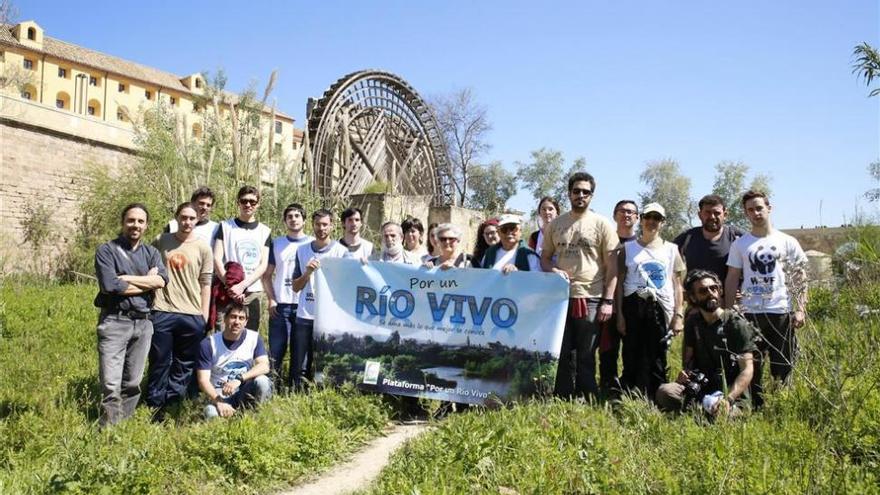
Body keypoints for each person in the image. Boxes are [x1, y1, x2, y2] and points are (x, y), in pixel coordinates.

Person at [724, 190, 808, 409]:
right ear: (745, 214)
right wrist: (730, 310)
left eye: (759, 208)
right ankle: (755, 407)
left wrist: (800, 308)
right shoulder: (740, 244)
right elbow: (732, 278)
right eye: (750, 210)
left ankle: (782, 407)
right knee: (752, 364)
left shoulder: (788, 242)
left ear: (769, 209)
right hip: (751, 313)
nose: (756, 213)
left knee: (783, 364)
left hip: (781, 311)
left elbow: (800, 277)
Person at [541, 172, 618, 399]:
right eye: (576, 191)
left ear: (592, 196)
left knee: (586, 352)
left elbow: (612, 268)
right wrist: (553, 270)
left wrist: (608, 301)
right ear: (569, 194)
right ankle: (563, 395)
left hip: (592, 297)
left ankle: (586, 395)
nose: (581, 195)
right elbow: (545, 258)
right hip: (561, 298)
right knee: (562, 350)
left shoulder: (602, 224)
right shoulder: (556, 224)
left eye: (586, 192)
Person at [93, 203, 168, 426]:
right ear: (123, 222)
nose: (135, 225)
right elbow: (110, 286)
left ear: (146, 226)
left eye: (140, 221)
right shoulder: (107, 250)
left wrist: (126, 278)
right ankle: (109, 429)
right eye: (131, 220)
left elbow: (162, 281)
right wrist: (148, 283)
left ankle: (123, 426)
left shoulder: (152, 253)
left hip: (144, 324)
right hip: (115, 321)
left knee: (133, 381)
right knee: (110, 383)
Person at [656, 270, 757, 417]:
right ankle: (703, 411)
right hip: (702, 389)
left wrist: (728, 399)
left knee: (725, 414)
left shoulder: (736, 324)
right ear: (693, 297)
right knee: (665, 392)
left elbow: (747, 370)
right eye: (703, 291)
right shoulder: (693, 322)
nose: (711, 293)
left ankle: (712, 412)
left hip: (731, 394)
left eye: (714, 288)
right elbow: (688, 361)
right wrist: (685, 375)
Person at [146, 202, 213, 416]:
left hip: (191, 314)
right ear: (176, 218)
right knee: (159, 360)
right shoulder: (161, 241)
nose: (187, 222)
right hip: (162, 310)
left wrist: (203, 316)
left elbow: (206, 283)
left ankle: (172, 404)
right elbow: (148, 267)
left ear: (197, 220)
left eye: (192, 218)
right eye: (183, 217)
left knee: (184, 363)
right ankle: (154, 405)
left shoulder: (203, 247)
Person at [616, 203, 685, 399]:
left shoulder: (672, 250)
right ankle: (629, 394)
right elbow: (620, 283)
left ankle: (657, 395)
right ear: (641, 219)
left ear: (662, 222)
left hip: (660, 308)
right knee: (631, 352)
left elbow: (678, 286)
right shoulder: (627, 249)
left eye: (657, 218)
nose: (651, 222)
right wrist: (619, 315)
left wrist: (678, 315)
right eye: (648, 217)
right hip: (633, 305)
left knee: (657, 354)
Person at [290, 209, 348, 388]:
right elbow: (295, 287)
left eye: (325, 224)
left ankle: (321, 395)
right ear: (312, 225)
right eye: (318, 224)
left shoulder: (341, 252)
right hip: (305, 315)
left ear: (332, 226)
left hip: (328, 317)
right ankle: (295, 396)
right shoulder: (302, 251)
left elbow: (346, 286)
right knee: (300, 363)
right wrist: (307, 272)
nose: (321, 228)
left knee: (324, 362)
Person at [262, 203, 313, 388]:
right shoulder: (277, 243)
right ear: (285, 221)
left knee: (301, 354)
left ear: (304, 220)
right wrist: (271, 299)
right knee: (276, 351)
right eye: (289, 216)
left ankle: (296, 390)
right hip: (281, 306)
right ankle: (270, 389)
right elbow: (266, 275)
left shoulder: (313, 243)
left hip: (305, 307)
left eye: (297, 216)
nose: (293, 219)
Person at [196, 303, 272, 419]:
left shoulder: (254, 338)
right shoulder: (209, 344)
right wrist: (219, 402)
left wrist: (239, 379)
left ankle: (258, 418)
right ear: (225, 319)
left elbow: (264, 366)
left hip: (244, 392)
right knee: (210, 413)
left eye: (241, 318)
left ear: (246, 322)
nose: (237, 322)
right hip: (219, 396)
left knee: (263, 381)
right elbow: (203, 381)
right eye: (233, 317)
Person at [213, 185, 271, 331]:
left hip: (252, 292)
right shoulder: (225, 227)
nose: (248, 205)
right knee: (223, 335)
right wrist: (231, 286)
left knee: (249, 338)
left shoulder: (264, 231)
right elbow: (216, 258)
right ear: (238, 202)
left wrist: (242, 286)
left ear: (258, 204)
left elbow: (263, 265)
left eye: (252, 202)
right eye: (244, 201)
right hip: (228, 292)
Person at [598, 199, 639, 396]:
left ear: (637, 217)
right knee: (607, 346)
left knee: (632, 347)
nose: (626, 215)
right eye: (622, 211)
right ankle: (608, 383)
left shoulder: (641, 244)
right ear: (614, 216)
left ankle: (630, 383)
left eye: (631, 212)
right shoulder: (606, 241)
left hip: (632, 302)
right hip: (606, 300)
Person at [673, 194, 744, 282]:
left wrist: (742, 289)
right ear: (700, 215)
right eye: (707, 212)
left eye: (717, 213)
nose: (712, 217)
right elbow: (668, 262)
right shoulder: (687, 238)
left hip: (729, 295)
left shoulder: (737, 237)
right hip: (695, 295)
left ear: (725, 215)